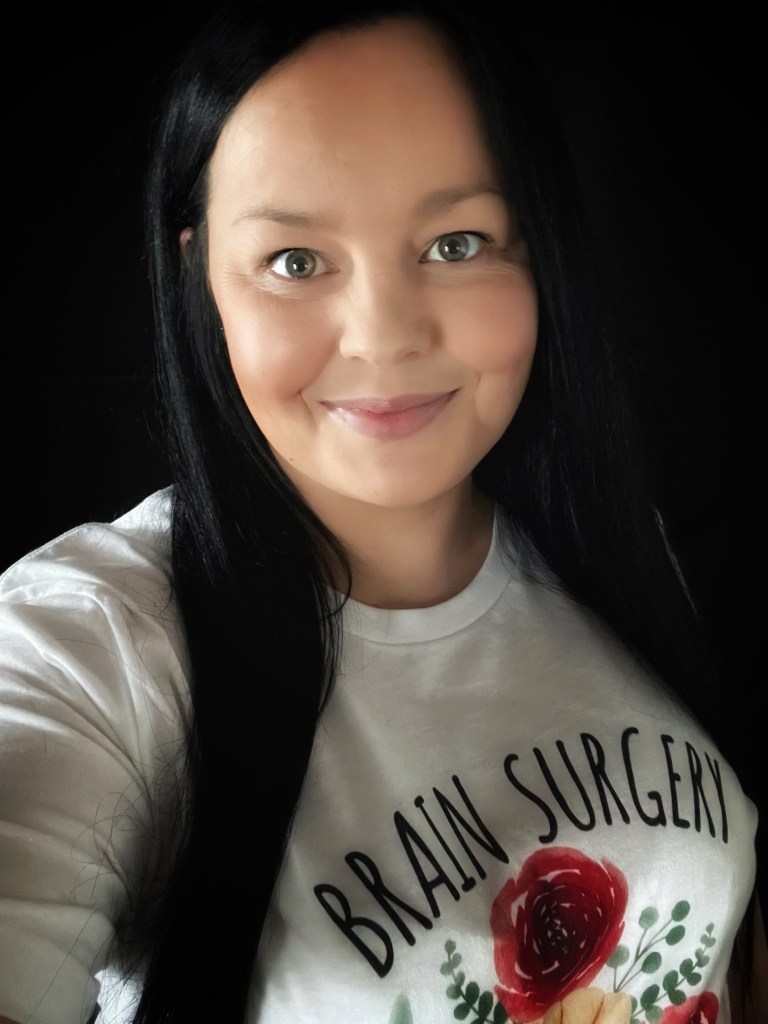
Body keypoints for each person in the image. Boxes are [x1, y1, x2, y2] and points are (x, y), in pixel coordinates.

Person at [0, 3, 764, 1023]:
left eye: (456, 242)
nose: (384, 336)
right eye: (296, 261)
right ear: (198, 272)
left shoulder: (617, 549)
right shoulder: (99, 641)